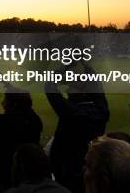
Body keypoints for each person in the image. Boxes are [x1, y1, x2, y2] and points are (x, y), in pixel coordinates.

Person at [44, 63, 109, 193]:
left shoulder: (72, 112)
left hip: (67, 173)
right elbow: (98, 90)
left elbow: (49, 86)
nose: (67, 91)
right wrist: (87, 66)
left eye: (72, 87)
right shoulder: (102, 111)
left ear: (84, 93)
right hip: (89, 167)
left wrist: (66, 65)